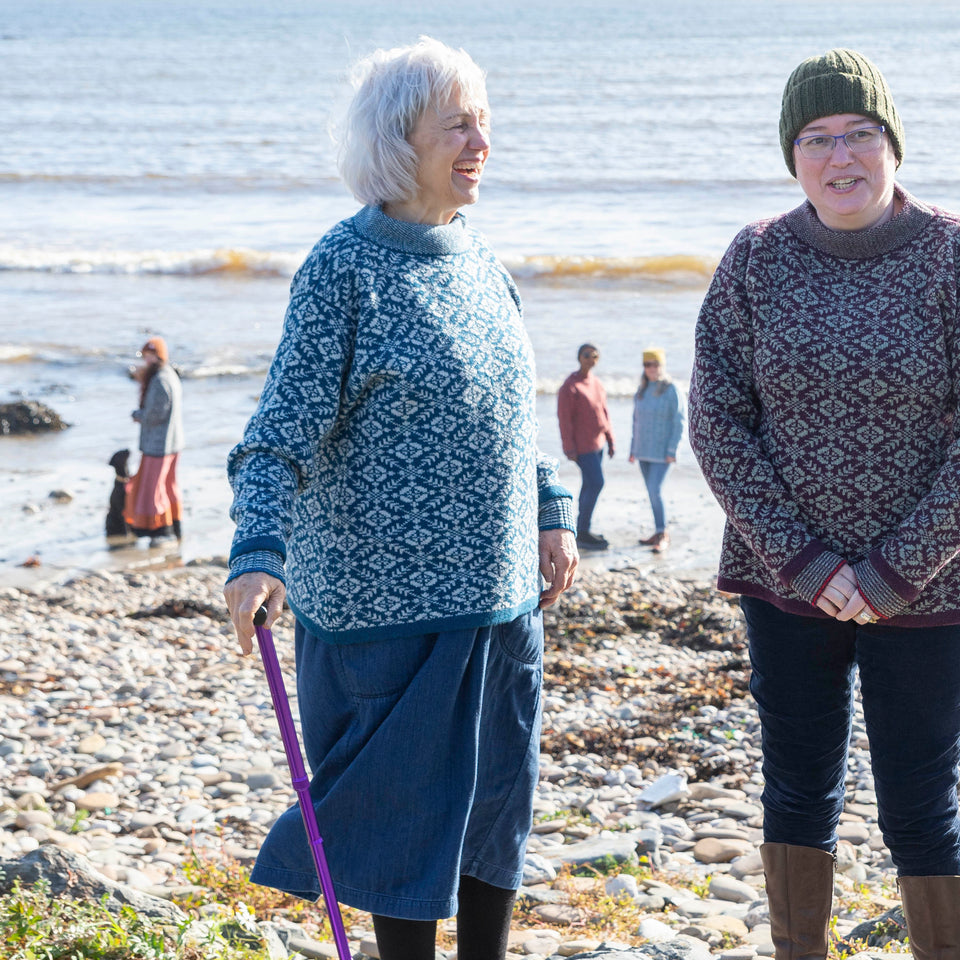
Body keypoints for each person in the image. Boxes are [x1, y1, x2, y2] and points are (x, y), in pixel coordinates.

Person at [222, 38, 578, 960]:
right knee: (399, 830)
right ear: (397, 138)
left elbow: (511, 409)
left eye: (485, 121)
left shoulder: (479, 257)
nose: (480, 140)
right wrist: (257, 552)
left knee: (495, 814)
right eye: (457, 123)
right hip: (386, 617)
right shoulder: (343, 270)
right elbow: (278, 430)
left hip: (501, 606)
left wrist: (548, 508)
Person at [689, 48, 960, 956]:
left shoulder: (952, 255)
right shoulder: (755, 259)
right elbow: (719, 420)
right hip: (786, 583)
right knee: (797, 788)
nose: (840, 156)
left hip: (931, 588)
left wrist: (893, 570)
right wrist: (805, 563)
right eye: (816, 138)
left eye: (859, 134)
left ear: (894, 145)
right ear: (791, 154)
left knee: (922, 801)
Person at [123, 336, 183, 546]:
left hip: (159, 444)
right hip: (171, 442)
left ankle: (161, 532)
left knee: (154, 489)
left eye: (150, 356)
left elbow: (157, 413)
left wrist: (138, 414)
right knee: (168, 486)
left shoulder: (160, 380)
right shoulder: (169, 375)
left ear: (159, 356)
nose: (146, 360)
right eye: (145, 356)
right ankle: (175, 528)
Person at [557, 343, 615, 550]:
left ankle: (582, 529)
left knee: (589, 485)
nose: (591, 359)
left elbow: (604, 412)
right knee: (597, 483)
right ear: (579, 357)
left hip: (598, 445)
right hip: (583, 447)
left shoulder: (597, 383)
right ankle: (582, 532)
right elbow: (565, 420)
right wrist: (569, 448)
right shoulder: (570, 386)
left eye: (595, 356)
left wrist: (610, 438)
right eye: (587, 355)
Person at [628, 347, 685, 554]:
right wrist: (633, 448)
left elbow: (679, 422)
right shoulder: (641, 390)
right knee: (651, 493)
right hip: (643, 451)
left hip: (662, 453)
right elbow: (636, 422)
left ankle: (663, 534)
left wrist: (673, 449)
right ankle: (657, 531)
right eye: (647, 364)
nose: (651, 368)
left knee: (655, 490)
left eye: (655, 364)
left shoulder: (671, 389)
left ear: (662, 365)